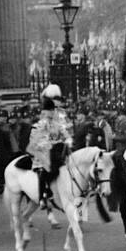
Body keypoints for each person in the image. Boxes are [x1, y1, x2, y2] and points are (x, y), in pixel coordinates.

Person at [27, 84, 71, 213]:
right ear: (43, 112)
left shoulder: (57, 124)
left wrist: (68, 140)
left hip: (56, 154)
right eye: (49, 111)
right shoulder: (39, 125)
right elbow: (34, 143)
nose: (51, 113)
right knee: (44, 170)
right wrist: (49, 145)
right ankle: (42, 197)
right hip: (42, 156)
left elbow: (65, 133)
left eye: (52, 111)